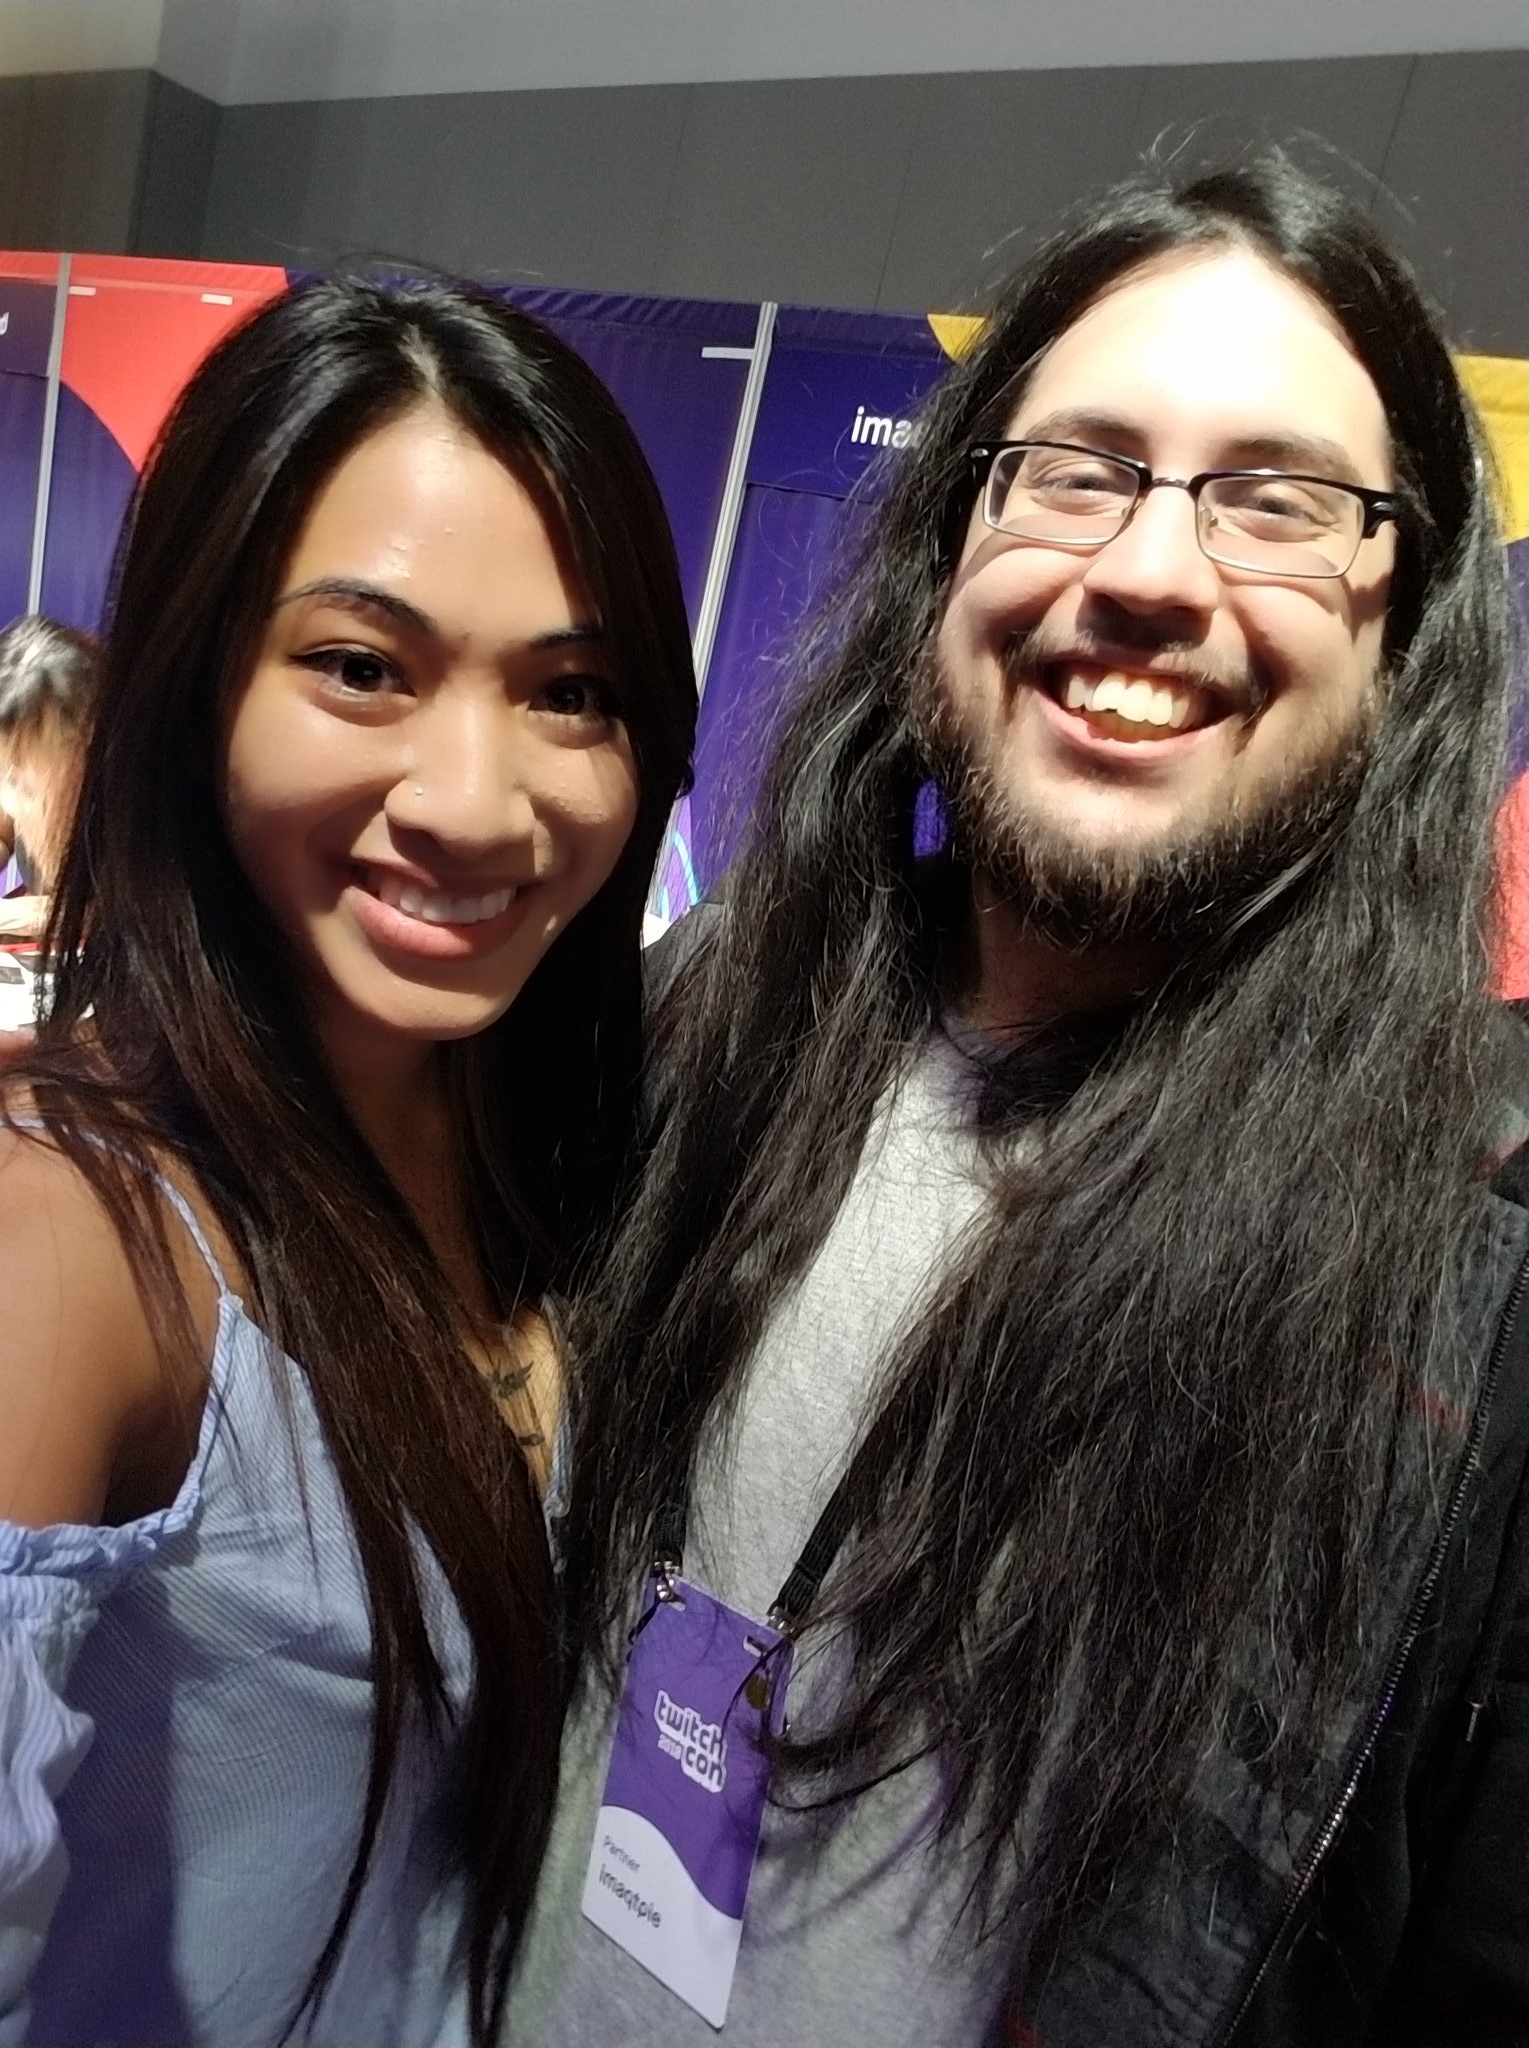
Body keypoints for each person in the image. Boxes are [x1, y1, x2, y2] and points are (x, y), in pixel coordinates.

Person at [505, 159, 1529, 2046]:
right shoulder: (703, 1025)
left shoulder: (1473, 1317)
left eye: (1277, 503)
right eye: (1079, 469)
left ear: (1403, 650)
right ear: (948, 554)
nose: (1148, 572)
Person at [0, 276, 696, 2045]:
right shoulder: (73, 1229)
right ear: (196, 685)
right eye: (361, 668)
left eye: (572, 691)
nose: (473, 799)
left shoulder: (573, 1163)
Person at [0, 615, 99, 944]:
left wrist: (39, 913)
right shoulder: (13, 775)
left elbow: (146, 913)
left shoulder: (136, 798)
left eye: (23, 784)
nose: (9, 792)